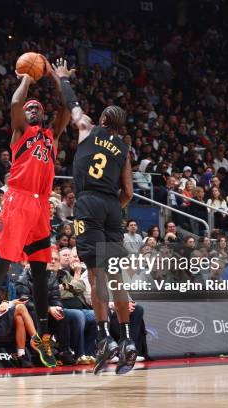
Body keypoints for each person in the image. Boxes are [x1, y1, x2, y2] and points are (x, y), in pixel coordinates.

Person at [0, 55, 71, 369]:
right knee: (2, 265)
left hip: (42, 204)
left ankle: (42, 337)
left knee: (41, 273)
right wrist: (27, 76)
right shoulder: (20, 133)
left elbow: (67, 109)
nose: (31, 108)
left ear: (42, 116)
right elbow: (16, 101)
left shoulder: (51, 136)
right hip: (17, 199)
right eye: (28, 108)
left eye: (36, 108)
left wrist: (59, 78)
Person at [60, 58, 135, 374]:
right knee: (115, 274)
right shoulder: (123, 148)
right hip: (111, 207)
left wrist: (62, 78)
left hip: (89, 203)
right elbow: (129, 192)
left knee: (95, 273)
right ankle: (128, 339)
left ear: (103, 119)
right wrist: (113, 207)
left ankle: (105, 338)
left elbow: (72, 106)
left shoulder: (87, 128)